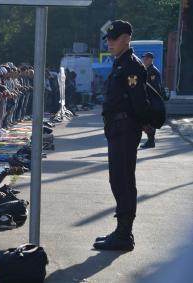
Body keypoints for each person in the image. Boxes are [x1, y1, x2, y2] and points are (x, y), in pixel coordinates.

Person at [94, 20, 150, 251]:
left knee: (123, 180)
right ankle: (121, 231)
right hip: (118, 130)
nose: (110, 42)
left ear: (126, 38)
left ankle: (124, 235)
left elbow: (138, 102)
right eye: (108, 38)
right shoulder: (121, 63)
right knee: (117, 179)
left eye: (114, 38)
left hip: (126, 129)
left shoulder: (131, 66)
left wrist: (143, 125)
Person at [140, 52, 162, 149]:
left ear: (150, 59)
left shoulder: (153, 71)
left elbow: (154, 87)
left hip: (152, 100)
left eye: (145, 58)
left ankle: (151, 141)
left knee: (150, 121)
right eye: (143, 58)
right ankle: (150, 140)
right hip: (149, 99)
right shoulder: (147, 70)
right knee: (148, 120)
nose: (143, 60)